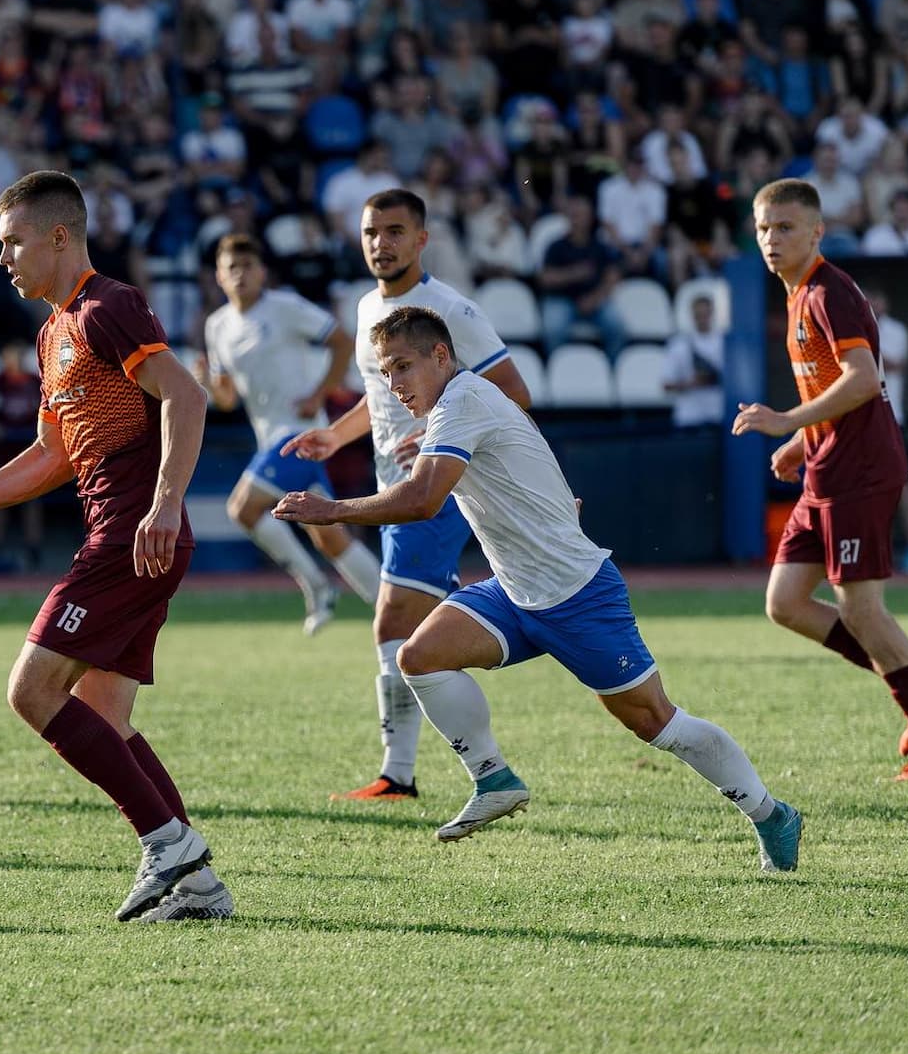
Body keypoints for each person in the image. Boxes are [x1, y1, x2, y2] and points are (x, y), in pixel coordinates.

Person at [276, 306, 803, 867]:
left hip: (577, 593)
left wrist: (330, 510)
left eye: (403, 366)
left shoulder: (462, 401)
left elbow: (422, 500)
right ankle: (493, 779)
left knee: (656, 721)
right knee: (420, 656)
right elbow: (516, 454)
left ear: (440, 356)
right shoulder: (457, 406)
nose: (394, 384)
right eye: (384, 373)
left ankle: (773, 814)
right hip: (513, 590)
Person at [0, 171, 228, 924]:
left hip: (132, 534)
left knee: (31, 691)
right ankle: (199, 887)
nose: (3, 258)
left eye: (13, 242)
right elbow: (50, 458)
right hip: (128, 536)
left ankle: (168, 843)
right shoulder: (52, 332)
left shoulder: (109, 307)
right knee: (102, 714)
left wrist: (167, 502)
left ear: (59, 236)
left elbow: (187, 394)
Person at [281, 188, 532, 803]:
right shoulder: (368, 307)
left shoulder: (452, 311)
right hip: (394, 483)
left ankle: (404, 773)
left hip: (440, 487)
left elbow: (515, 392)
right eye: (371, 232)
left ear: (422, 240)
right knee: (419, 629)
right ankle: (434, 767)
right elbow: (381, 392)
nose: (381, 243)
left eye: (395, 231)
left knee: (393, 619)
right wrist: (335, 437)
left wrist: (435, 436)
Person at [735, 180, 908, 780]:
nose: (771, 239)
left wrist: (786, 420)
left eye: (785, 227)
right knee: (786, 602)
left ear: (817, 231)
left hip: (860, 470)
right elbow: (833, 389)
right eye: (764, 228)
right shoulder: (797, 296)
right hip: (826, 467)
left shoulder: (826, 292)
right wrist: (799, 443)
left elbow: (864, 379)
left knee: (862, 610)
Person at [197, 234, 380, 633]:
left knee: (242, 508)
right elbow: (228, 400)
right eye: (233, 268)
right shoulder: (217, 326)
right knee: (328, 535)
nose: (241, 274)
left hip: (298, 434)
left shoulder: (285, 308)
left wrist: (319, 392)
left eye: (248, 266)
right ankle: (392, 606)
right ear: (219, 277)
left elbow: (342, 341)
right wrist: (209, 386)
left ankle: (315, 584)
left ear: (262, 272)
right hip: (271, 438)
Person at [864, 287, 908, 575]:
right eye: (868, 298)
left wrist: (861, 345)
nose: (874, 303)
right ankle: (870, 552)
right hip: (860, 418)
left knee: (902, 484)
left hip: (892, 418)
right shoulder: (855, 325)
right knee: (861, 487)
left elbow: (893, 365)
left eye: (877, 297)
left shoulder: (896, 330)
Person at [0, 341, 46, 569]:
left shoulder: (34, 381)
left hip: (28, 449)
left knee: (32, 502)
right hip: (3, 451)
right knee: (0, 500)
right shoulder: (0, 380)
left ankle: (34, 550)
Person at [660, 293, 724, 427]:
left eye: (705, 314)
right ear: (692, 315)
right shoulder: (679, 344)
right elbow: (666, 385)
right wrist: (691, 384)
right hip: (689, 416)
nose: (702, 319)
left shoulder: (724, 343)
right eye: (698, 315)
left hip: (718, 414)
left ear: (712, 313)